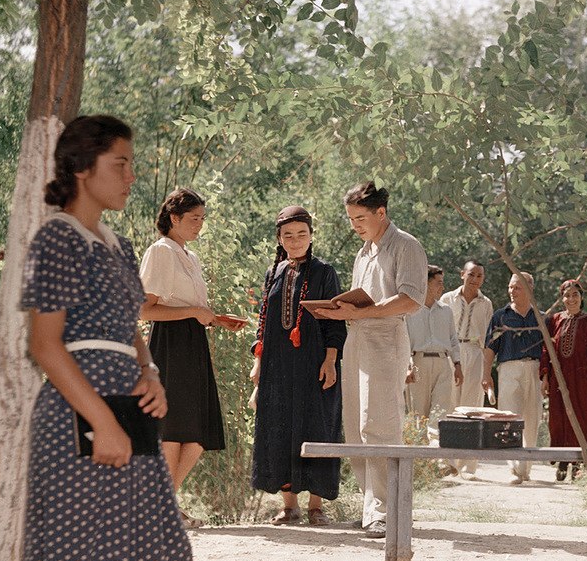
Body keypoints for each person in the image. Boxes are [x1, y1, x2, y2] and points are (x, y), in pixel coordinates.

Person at [20, 115, 193, 561]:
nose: (131, 174)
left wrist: (151, 374)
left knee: (164, 552)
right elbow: (45, 345)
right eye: (120, 163)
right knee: (65, 553)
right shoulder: (58, 238)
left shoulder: (117, 246)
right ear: (80, 168)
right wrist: (105, 421)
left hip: (128, 401)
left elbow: (132, 331)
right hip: (75, 408)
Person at [312, 182, 426, 538]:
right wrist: (339, 312)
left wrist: (365, 312)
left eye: (360, 217)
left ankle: (387, 510)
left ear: (381, 212)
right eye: (350, 219)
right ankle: (370, 507)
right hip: (357, 338)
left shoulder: (406, 245)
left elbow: (411, 299)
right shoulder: (363, 252)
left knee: (380, 423)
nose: (355, 225)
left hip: (386, 337)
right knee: (356, 428)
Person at [139, 188, 241, 528]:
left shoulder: (189, 256)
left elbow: (190, 308)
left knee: (197, 433)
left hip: (193, 342)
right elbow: (144, 308)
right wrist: (194, 312)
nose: (200, 225)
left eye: (202, 219)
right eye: (194, 219)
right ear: (174, 219)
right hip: (169, 343)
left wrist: (213, 317)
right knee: (172, 431)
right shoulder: (161, 251)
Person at [250, 205, 347, 526]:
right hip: (277, 367)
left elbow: (335, 322)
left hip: (314, 363)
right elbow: (262, 323)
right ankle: (288, 505)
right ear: (279, 238)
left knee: (316, 427)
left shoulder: (325, 272)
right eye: (288, 235)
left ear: (311, 236)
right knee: (279, 427)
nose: (295, 240)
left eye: (301, 234)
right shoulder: (272, 273)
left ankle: (315, 506)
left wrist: (331, 361)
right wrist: (258, 364)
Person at [540, 279, 587, 482]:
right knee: (559, 418)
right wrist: (545, 377)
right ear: (562, 298)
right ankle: (562, 462)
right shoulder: (554, 321)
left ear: (581, 298)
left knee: (580, 418)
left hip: (582, 379)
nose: (571, 299)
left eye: (575, 295)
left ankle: (578, 464)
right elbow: (546, 349)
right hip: (558, 379)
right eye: (567, 295)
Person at [483, 272, 545, 484]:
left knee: (532, 417)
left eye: (517, 287)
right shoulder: (501, 316)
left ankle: (526, 468)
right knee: (510, 417)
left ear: (529, 289)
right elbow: (490, 348)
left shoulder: (541, 317)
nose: (511, 291)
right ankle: (513, 469)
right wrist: (486, 375)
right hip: (509, 368)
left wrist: (547, 378)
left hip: (535, 369)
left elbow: (548, 351)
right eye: (510, 287)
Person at [440, 259, 494, 478]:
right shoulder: (447, 299)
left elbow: (489, 336)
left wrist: (487, 368)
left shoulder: (486, 303)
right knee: (450, 405)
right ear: (462, 274)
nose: (475, 279)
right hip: (452, 352)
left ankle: (468, 466)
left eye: (479, 276)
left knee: (472, 407)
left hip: (475, 351)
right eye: (471, 274)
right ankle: (447, 462)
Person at [405, 265, 462, 448]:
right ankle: (421, 463)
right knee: (418, 412)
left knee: (441, 409)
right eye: (438, 283)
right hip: (418, 364)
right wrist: (408, 365)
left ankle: (439, 459)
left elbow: (453, 340)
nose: (442, 288)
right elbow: (404, 340)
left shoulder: (446, 311)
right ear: (426, 283)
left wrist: (458, 364)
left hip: (443, 363)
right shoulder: (410, 310)